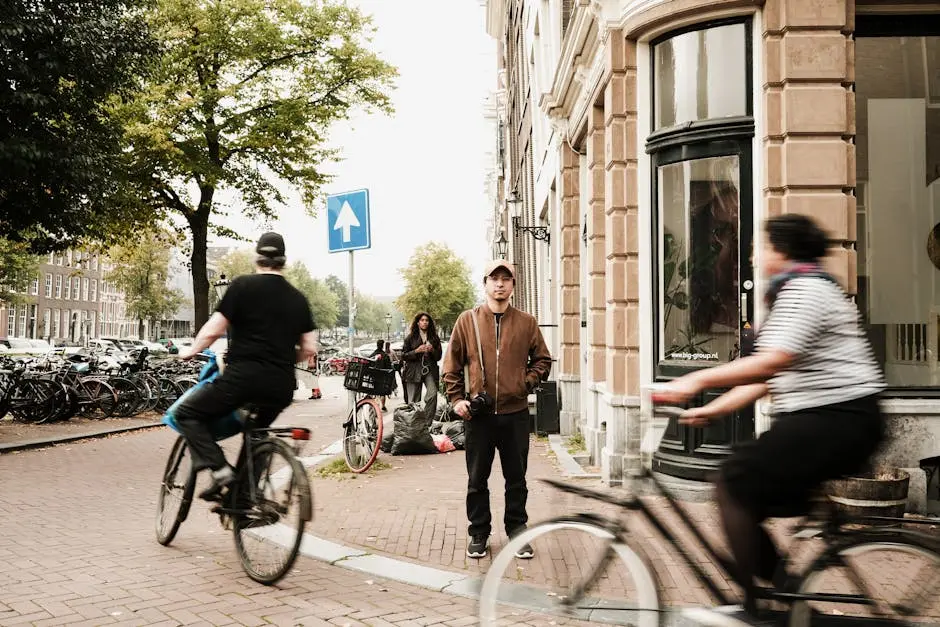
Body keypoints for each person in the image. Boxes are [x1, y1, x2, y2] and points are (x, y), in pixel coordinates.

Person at [653, 214, 886, 621]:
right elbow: (770, 376)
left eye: (760, 248)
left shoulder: (805, 291)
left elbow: (770, 363)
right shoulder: (800, 290)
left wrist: (694, 381)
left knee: (733, 483)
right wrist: (713, 408)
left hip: (837, 419)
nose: (753, 257)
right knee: (746, 493)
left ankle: (759, 607)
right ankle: (789, 604)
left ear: (781, 251)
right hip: (832, 420)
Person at [175, 232, 318, 501]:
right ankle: (244, 499)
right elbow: (310, 348)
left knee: (187, 414)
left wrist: (191, 351)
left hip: (242, 380)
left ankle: (220, 472)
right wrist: (285, 359)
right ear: (283, 261)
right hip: (280, 386)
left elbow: (213, 330)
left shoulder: (242, 286)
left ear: (258, 258)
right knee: (257, 434)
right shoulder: (298, 298)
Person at [443, 260, 552, 560]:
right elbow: (450, 365)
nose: (500, 284)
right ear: (485, 283)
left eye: (506, 279)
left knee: (516, 478)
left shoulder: (527, 322)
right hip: (479, 417)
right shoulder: (467, 320)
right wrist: (456, 400)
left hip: (515, 414)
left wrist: (524, 383)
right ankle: (479, 532)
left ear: (513, 286)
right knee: (477, 478)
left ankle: (517, 531)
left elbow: (543, 360)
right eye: (495, 279)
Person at [401, 312, 443, 406]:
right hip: (414, 371)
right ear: (418, 323)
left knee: (432, 394)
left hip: (429, 370)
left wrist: (432, 350)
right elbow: (403, 355)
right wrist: (416, 351)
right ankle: (415, 420)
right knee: (413, 402)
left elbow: (438, 356)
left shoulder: (434, 338)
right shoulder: (410, 337)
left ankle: (428, 420)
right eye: (422, 320)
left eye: (427, 320)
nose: (425, 322)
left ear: (429, 323)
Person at [369, 339, 392, 411]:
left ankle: (375, 406)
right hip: (383, 376)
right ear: (382, 346)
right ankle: (383, 406)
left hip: (374, 376)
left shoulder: (372, 355)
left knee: (375, 391)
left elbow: (369, 363)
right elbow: (389, 367)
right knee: (382, 392)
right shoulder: (385, 355)